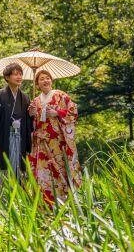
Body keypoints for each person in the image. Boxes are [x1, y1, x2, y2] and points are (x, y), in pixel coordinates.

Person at [28, 69, 82, 206]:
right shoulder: (35, 101)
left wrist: (57, 112)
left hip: (58, 142)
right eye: (41, 79)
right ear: (37, 83)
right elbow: (33, 124)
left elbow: (73, 111)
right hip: (42, 142)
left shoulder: (60, 95)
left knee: (60, 170)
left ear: (51, 80)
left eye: (47, 78)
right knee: (43, 172)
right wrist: (31, 114)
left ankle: (64, 202)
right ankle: (44, 204)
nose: (45, 81)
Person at [0, 62, 33, 196]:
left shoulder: (26, 97)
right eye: (15, 74)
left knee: (18, 167)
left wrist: (33, 112)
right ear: (7, 77)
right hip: (3, 139)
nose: (19, 76)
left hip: (20, 138)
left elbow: (30, 122)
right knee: (0, 165)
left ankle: (18, 198)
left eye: (20, 74)